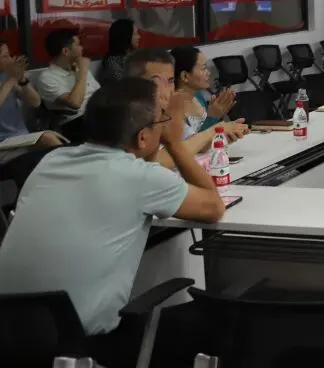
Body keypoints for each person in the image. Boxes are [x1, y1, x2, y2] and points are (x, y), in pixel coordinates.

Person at [0, 77, 225, 368]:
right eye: (162, 120)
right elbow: (214, 207)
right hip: (84, 349)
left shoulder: (50, 162)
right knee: (216, 322)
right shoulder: (140, 177)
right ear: (142, 137)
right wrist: (173, 142)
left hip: (11, 338)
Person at [127, 48, 246, 168]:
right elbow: (159, 161)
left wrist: (223, 134)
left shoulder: (166, 111)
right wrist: (213, 130)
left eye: (170, 81)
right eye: (155, 82)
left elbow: (195, 143)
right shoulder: (130, 116)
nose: (167, 89)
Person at [35, 28, 100, 140]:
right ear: (65, 51)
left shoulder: (78, 68)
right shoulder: (47, 78)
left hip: (97, 114)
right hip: (76, 122)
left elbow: (99, 93)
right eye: (78, 45)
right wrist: (83, 72)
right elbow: (75, 103)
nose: (82, 48)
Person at [171, 46, 237, 138]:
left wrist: (219, 114)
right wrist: (213, 116)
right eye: (203, 68)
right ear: (185, 76)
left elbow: (212, 131)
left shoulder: (197, 96)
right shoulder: (172, 108)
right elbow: (191, 143)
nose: (209, 73)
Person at [0, 41, 42, 141]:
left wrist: (22, 79)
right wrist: (13, 78)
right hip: (3, 140)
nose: (10, 60)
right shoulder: (10, 79)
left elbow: (35, 102)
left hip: (21, 135)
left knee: (50, 137)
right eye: (5, 56)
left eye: (10, 55)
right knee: (48, 139)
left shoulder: (6, 77)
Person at [98, 18, 139, 83]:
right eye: (135, 34)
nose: (139, 37)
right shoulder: (112, 63)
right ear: (126, 36)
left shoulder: (130, 56)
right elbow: (125, 85)